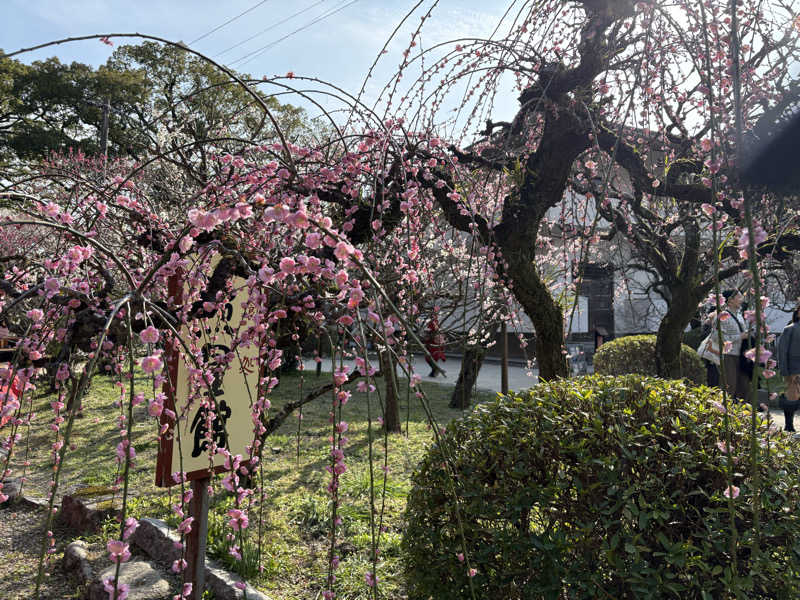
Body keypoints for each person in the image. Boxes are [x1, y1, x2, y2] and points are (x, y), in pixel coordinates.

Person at [718, 289, 752, 402]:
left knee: (744, 386)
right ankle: (724, 409)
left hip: (742, 355)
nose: (741, 300)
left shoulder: (740, 315)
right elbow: (721, 338)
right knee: (729, 386)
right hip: (729, 355)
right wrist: (740, 336)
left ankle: (740, 411)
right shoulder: (723, 316)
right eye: (739, 297)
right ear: (730, 300)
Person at [776, 305, 800, 432]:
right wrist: (784, 370)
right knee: (791, 398)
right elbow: (782, 351)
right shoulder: (790, 329)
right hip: (793, 370)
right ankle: (789, 425)